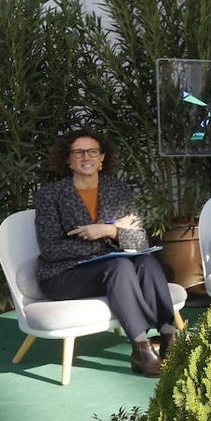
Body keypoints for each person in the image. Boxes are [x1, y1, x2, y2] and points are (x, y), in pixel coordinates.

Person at [33, 129, 177, 377]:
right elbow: (50, 248)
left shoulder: (118, 191)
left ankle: (168, 338)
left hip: (106, 268)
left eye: (92, 151)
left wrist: (108, 230)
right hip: (62, 275)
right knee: (119, 266)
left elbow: (140, 240)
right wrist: (105, 237)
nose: (85, 156)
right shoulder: (50, 195)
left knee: (146, 261)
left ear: (102, 159)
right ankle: (141, 349)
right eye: (78, 152)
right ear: (68, 159)